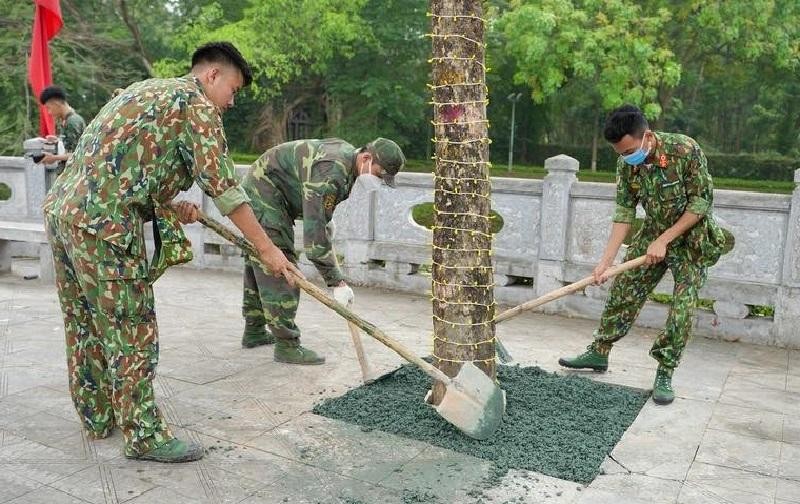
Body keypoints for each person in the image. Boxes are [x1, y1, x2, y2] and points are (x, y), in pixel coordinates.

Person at [43, 41, 300, 463]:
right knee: (131, 329)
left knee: (83, 322)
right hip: (103, 228)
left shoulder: (143, 90)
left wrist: (165, 203)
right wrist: (269, 250)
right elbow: (227, 190)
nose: (231, 102)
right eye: (232, 90)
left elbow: (120, 166)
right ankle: (143, 435)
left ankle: (96, 417)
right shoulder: (197, 105)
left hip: (63, 213)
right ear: (211, 75)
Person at [558, 104, 731, 405]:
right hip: (652, 233)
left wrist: (665, 240)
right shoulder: (626, 164)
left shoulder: (685, 150)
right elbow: (625, 212)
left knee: (682, 307)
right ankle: (599, 352)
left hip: (692, 239)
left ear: (647, 136)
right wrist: (606, 261)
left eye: (628, 151)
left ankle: (665, 370)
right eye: (619, 153)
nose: (625, 158)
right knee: (624, 289)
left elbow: (701, 203)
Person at [239, 137, 405, 364]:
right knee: (280, 265)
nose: (378, 181)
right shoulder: (333, 170)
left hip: (271, 191)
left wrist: (325, 221)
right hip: (264, 193)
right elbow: (315, 243)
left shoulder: (347, 162)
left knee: (260, 259)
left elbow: (318, 208)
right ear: (366, 158)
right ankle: (287, 345)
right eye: (378, 174)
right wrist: (336, 282)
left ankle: (254, 331)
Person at [38, 85, 86, 175]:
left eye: (49, 107)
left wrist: (54, 158)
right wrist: (58, 140)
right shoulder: (66, 120)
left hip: (74, 176)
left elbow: (77, 154)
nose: (49, 112)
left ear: (56, 103)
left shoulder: (72, 122)